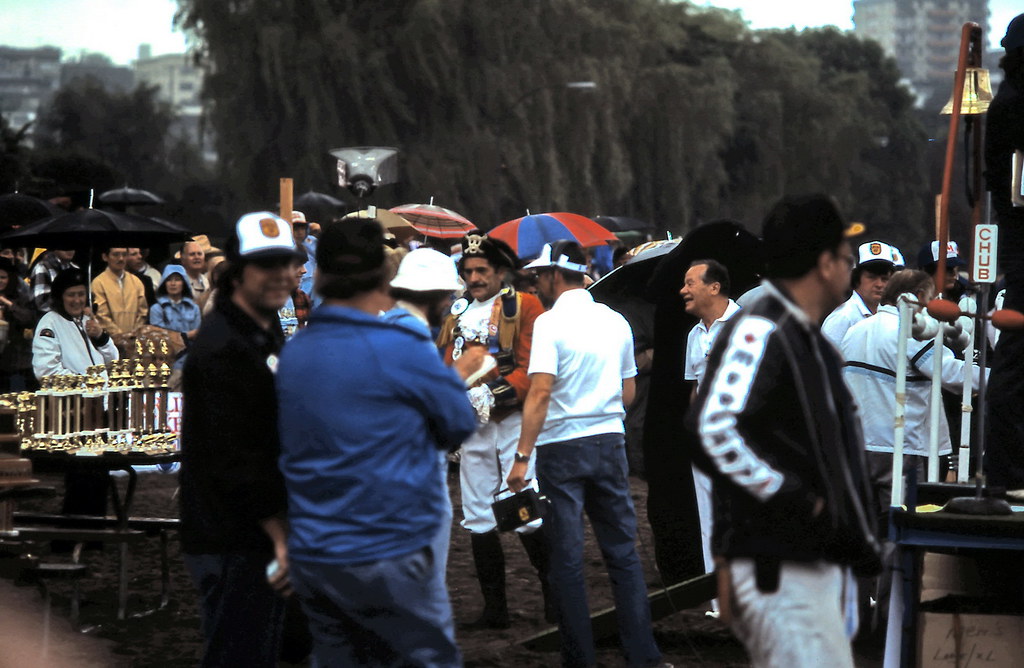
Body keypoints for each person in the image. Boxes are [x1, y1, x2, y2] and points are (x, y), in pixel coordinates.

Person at [686, 195, 882, 668]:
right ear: (824, 263)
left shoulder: (800, 332)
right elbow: (712, 430)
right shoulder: (762, 327)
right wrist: (796, 499)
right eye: (845, 254)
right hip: (786, 569)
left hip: (809, 564)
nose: (851, 265)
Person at [277, 220, 479, 667]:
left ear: (319, 274)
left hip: (314, 553)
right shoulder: (399, 345)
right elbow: (459, 423)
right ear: (386, 277)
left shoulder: (296, 352)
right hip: (388, 546)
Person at [508, 240, 665, 668]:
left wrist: (522, 457)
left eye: (541, 275)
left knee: (568, 558)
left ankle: (580, 658)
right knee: (623, 553)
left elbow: (540, 391)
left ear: (556, 275)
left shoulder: (550, 323)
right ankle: (643, 655)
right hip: (609, 441)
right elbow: (628, 388)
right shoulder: (614, 321)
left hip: (562, 446)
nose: (538, 282)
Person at [179, 212, 299, 667]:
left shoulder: (260, 331)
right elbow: (234, 457)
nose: (282, 275)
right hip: (231, 536)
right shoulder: (223, 346)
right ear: (238, 271)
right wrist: (280, 535)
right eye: (267, 265)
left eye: (288, 262)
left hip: (251, 533)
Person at [435, 232, 554, 629]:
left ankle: (554, 599)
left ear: (500, 272)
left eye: (482, 270)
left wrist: (490, 395)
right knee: (477, 516)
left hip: (511, 421)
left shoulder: (524, 306)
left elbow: (529, 367)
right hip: (472, 429)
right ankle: (495, 609)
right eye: (468, 271)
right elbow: (444, 364)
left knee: (524, 511)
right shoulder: (455, 313)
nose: (474, 277)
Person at [841, 269, 986, 511]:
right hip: (898, 448)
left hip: (855, 444)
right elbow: (952, 374)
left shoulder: (855, 329)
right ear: (919, 296)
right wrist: (1004, 379)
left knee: (863, 524)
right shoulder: (909, 331)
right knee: (902, 524)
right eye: (928, 301)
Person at [32, 268, 120, 519]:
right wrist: (84, 385)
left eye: (82, 295)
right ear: (61, 297)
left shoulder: (87, 321)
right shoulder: (50, 323)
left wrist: (101, 336)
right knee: (80, 475)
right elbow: (46, 370)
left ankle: (95, 533)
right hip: (73, 410)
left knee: (100, 473)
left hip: (99, 406)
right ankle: (72, 530)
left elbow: (113, 361)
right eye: (72, 295)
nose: (77, 300)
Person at [679, 258, 739, 604]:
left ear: (714, 287)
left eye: (690, 283)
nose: (683, 291)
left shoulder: (748, 327)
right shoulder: (694, 334)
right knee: (709, 520)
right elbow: (695, 388)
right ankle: (718, 601)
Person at [985, 13, 1024, 489]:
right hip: (1021, 241)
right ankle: (1008, 470)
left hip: (1016, 240)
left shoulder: (1009, 101)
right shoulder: (1015, 105)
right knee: (1016, 357)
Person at [822, 240, 899, 347]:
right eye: (871, 277)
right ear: (857, 279)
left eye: (885, 279)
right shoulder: (843, 318)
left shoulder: (893, 315)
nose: (879, 284)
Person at [0, 257, 39, 392]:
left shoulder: (21, 295)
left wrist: (8, 304)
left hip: (18, 363)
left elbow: (29, 319)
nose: (0, 281)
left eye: (3, 277)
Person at [91, 247, 148, 337]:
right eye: (116, 255)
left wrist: (134, 334)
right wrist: (120, 336)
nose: (121, 259)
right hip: (110, 340)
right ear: (105, 257)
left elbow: (143, 312)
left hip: (134, 338)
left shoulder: (136, 281)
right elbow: (101, 315)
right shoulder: (98, 283)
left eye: (124, 255)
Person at [149, 264, 202, 348]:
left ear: (184, 283)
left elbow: (197, 335)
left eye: (177, 280)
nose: (173, 283)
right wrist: (186, 335)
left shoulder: (194, 308)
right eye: (169, 280)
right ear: (164, 283)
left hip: (191, 354)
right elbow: (159, 337)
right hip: (167, 355)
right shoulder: (156, 309)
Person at [29, 248, 77, 313]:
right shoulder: (42, 267)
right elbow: (41, 303)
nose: (69, 249)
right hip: (48, 319)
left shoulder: (75, 269)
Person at [181, 240, 210, 310]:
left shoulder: (207, 280)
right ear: (182, 259)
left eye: (199, 254)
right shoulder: (178, 281)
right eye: (192, 254)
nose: (196, 257)